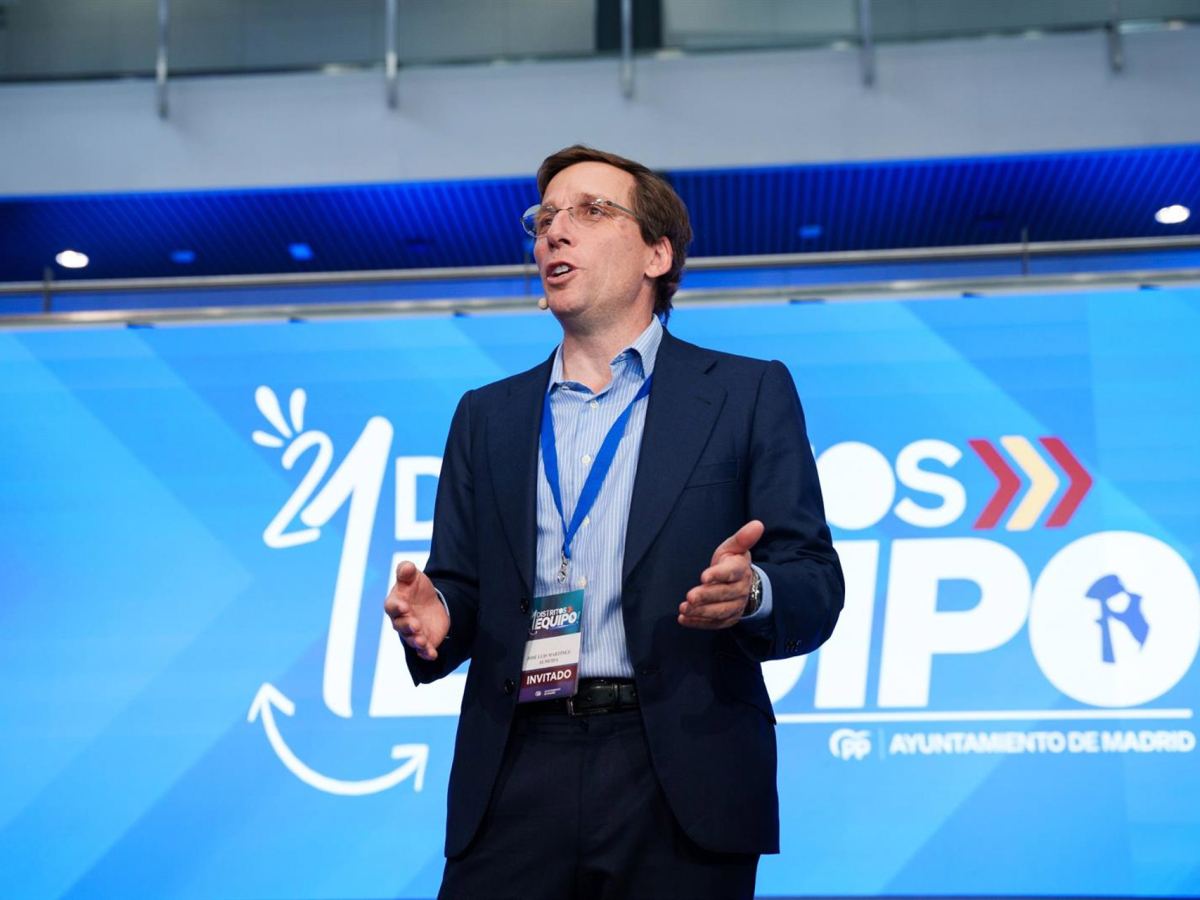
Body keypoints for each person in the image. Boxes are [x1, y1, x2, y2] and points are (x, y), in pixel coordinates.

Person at [385, 145, 843, 900]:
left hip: (678, 769)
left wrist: (753, 592)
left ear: (657, 255)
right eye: (544, 219)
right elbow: (461, 591)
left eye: (591, 211)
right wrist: (439, 618)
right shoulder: (487, 415)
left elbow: (814, 580)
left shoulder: (745, 393)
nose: (555, 232)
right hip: (515, 765)